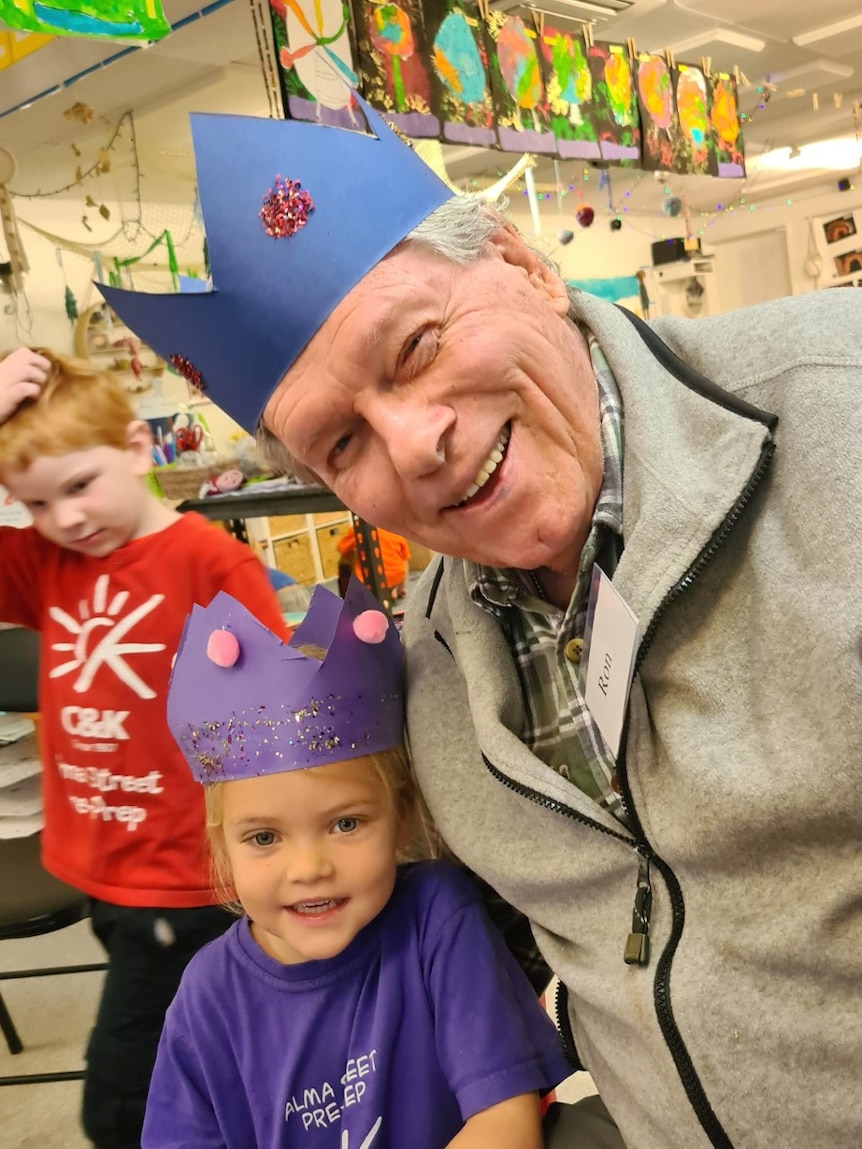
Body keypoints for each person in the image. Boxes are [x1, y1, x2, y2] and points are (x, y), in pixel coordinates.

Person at [101, 100, 862, 1149]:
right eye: (340, 443)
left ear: (524, 262)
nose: (413, 446)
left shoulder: (840, 411)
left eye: (413, 348)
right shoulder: (425, 676)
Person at [142, 579, 571, 1148]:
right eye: (264, 837)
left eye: (345, 824)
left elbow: (506, 1123)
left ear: (402, 817)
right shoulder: (207, 1000)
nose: (308, 867)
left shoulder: (436, 918)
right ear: (222, 848)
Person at [0, 345, 288, 1149]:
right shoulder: (50, 564)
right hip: (106, 875)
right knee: (206, 1072)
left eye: (80, 485)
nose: (65, 518)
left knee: (124, 1109)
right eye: (34, 503)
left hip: (185, 886)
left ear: (135, 449)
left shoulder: (210, 563)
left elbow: (276, 721)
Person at [336, 523, 411, 599]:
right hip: (394, 576)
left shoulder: (358, 529)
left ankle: (350, 594)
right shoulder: (394, 530)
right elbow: (405, 559)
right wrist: (402, 586)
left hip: (366, 579)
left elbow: (341, 548)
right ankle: (395, 588)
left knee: (344, 559)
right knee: (403, 558)